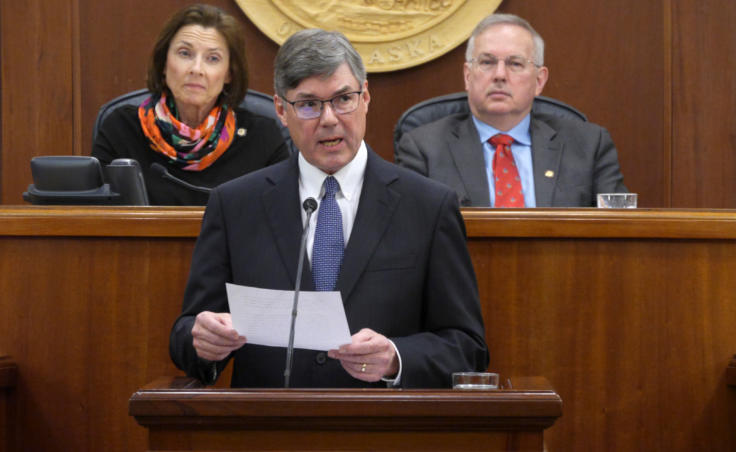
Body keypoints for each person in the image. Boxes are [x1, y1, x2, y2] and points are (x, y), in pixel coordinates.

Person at [169, 29, 489, 388]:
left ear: (365, 96)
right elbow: (187, 336)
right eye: (308, 104)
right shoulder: (235, 205)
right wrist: (203, 341)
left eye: (343, 99)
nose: (329, 119)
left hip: (385, 432)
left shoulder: (428, 207)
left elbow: (468, 348)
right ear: (281, 110)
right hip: (268, 430)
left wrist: (396, 358)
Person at [395, 13, 627, 207]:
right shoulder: (423, 149)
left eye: (515, 64)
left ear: (539, 80)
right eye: (486, 62)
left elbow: (619, 232)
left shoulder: (588, 146)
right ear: (468, 76)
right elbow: (407, 235)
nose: (499, 75)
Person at [92, 4, 289, 205]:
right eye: (185, 53)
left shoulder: (262, 138)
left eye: (213, 58)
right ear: (163, 64)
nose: (196, 69)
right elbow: (96, 217)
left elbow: (283, 221)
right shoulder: (121, 129)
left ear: (229, 73)